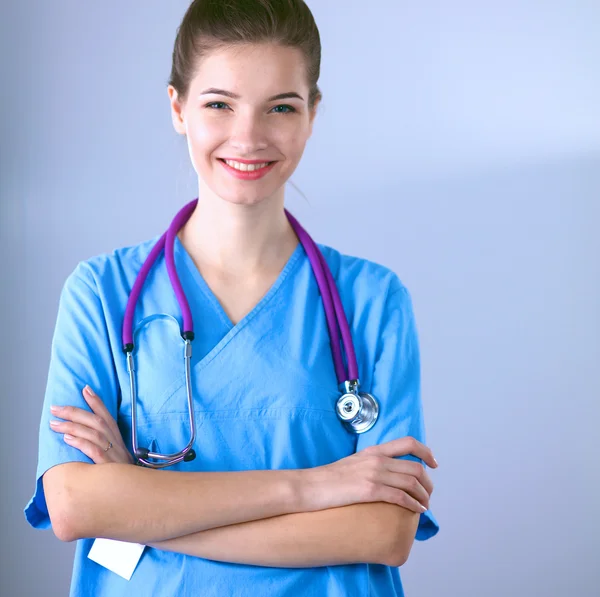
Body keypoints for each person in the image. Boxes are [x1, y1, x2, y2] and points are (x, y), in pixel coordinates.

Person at [24, 1, 440, 595]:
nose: (248, 137)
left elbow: (382, 533)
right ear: (177, 108)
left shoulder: (372, 301)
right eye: (219, 104)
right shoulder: (101, 293)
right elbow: (72, 504)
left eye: (281, 107)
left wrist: (142, 509)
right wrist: (314, 487)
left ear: (312, 114)